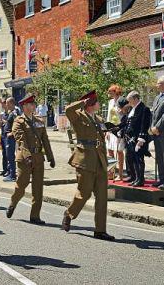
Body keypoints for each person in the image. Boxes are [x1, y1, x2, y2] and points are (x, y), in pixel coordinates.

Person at [61, 90, 115, 241]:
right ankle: (69, 213)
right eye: (96, 102)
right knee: (84, 193)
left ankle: (100, 230)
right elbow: (68, 110)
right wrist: (82, 102)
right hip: (85, 159)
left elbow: (102, 138)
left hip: (99, 159)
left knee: (102, 196)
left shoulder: (98, 118)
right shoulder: (78, 116)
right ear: (90, 104)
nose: (99, 104)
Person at [6, 94, 55, 224]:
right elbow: (21, 140)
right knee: (21, 185)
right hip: (24, 158)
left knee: (38, 188)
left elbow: (45, 140)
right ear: (24, 106)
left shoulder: (39, 121)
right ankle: (13, 202)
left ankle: (35, 215)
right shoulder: (18, 121)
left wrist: (50, 157)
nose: (34, 106)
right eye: (31, 104)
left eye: (34, 104)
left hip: (38, 158)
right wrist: (27, 156)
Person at [122, 91, 151, 187]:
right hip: (130, 139)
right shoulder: (132, 109)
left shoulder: (144, 109)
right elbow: (128, 122)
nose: (129, 103)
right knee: (132, 159)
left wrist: (141, 139)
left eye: (130, 101)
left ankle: (140, 179)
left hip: (138, 139)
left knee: (139, 159)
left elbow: (144, 125)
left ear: (135, 99)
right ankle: (135, 177)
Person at [106, 84, 125, 180]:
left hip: (119, 128)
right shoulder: (110, 102)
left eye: (110, 91)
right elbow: (108, 116)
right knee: (109, 150)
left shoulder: (122, 101)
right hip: (111, 128)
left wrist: (121, 111)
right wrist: (107, 131)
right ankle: (111, 172)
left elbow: (124, 115)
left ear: (115, 92)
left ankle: (120, 174)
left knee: (119, 150)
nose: (108, 93)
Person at [2, 97, 18, 182]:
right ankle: (10, 173)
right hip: (7, 137)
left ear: (12, 103)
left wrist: (11, 133)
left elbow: (18, 123)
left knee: (10, 156)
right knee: (8, 155)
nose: (6, 105)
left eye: (7, 104)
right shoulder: (11, 112)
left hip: (10, 138)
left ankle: (12, 175)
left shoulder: (14, 113)